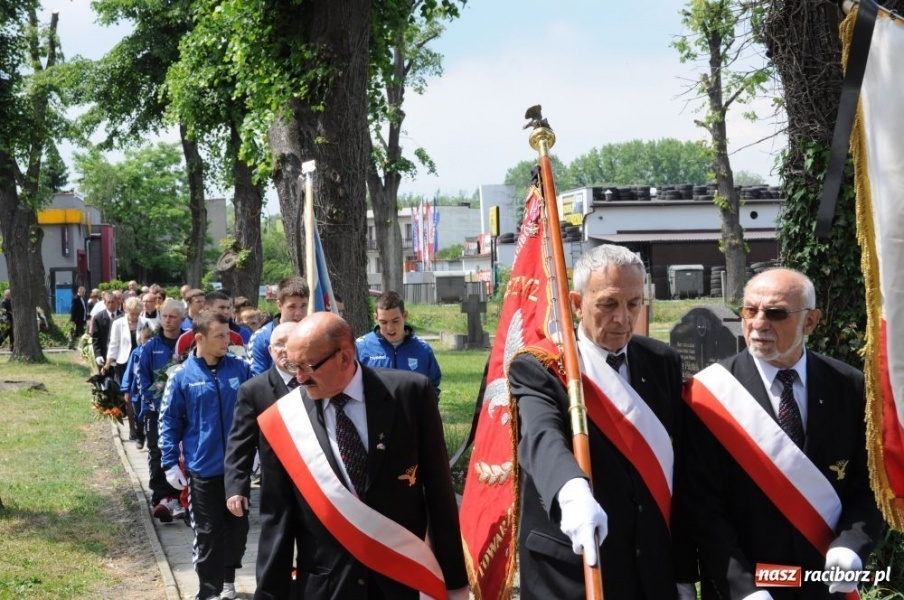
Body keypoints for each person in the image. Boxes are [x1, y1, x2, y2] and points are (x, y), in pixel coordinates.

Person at [236, 312, 468, 599]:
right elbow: (277, 521)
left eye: (307, 366)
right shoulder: (283, 419)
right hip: (327, 587)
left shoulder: (410, 394)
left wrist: (454, 584)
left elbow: (439, 495)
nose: (299, 378)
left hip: (401, 580)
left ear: (344, 358)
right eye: (294, 367)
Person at [507, 244, 694, 599]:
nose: (623, 318)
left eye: (634, 304)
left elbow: (680, 469)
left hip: (650, 571)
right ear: (577, 304)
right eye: (608, 304)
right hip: (573, 569)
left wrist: (683, 573)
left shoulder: (661, 362)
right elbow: (542, 436)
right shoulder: (544, 366)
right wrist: (572, 491)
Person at [683, 268, 884, 599]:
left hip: (825, 583)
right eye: (750, 310)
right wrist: (744, 587)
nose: (759, 323)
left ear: (810, 321)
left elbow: (869, 486)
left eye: (775, 313)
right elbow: (703, 508)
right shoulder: (708, 395)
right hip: (749, 586)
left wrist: (852, 545)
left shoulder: (848, 386)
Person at [160, 311, 253, 600]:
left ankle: (228, 580)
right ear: (199, 338)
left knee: (237, 530)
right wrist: (169, 462)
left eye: (228, 335)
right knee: (208, 533)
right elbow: (169, 421)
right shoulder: (182, 376)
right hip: (202, 470)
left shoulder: (241, 369)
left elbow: (256, 412)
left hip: (237, 470)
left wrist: (257, 451)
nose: (228, 341)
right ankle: (208, 591)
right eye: (220, 336)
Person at [224, 321, 297, 512]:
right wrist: (236, 487)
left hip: (320, 488)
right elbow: (240, 442)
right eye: (280, 344)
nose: (285, 349)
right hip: (277, 490)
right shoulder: (254, 390)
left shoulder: (320, 383)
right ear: (271, 351)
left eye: (291, 342)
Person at [137, 298, 188, 523]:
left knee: (181, 452)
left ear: (182, 319)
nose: (168, 321)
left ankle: (179, 498)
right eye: (165, 316)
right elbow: (142, 378)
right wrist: (157, 404)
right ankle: (160, 498)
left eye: (173, 317)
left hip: (183, 412)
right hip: (155, 411)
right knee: (157, 451)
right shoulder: (150, 347)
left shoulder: (188, 344)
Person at [356, 290, 442, 399]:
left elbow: (432, 386)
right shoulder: (361, 348)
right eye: (384, 322)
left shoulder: (423, 350)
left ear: (405, 316)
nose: (390, 328)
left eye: (395, 321)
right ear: (375, 318)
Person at [249, 276, 309, 377]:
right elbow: (258, 379)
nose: (298, 313)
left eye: (303, 306)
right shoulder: (261, 338)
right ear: (279, 305)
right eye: (292, 307)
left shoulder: (314, 333)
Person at [106, 297, 143, 442]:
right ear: (126, 310)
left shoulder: (144, 322)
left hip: (140, 363)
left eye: (137, 313)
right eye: (132, 313)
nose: (135, 316)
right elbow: (114, 344)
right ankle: (132, 429)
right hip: (124, 363)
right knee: (127, 397)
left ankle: (141, 426)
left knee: (139, 396)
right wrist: (108, 362)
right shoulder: (118, 323)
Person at [91, 291, 123, 369]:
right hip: (104, 354)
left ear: (116, 302)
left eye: (113, 302)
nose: (111, 304)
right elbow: (96, 338)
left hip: (119, 355)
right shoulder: (98, 318)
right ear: (104, 303)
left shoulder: (123, 316)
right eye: (109, 302)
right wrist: (98, 355)